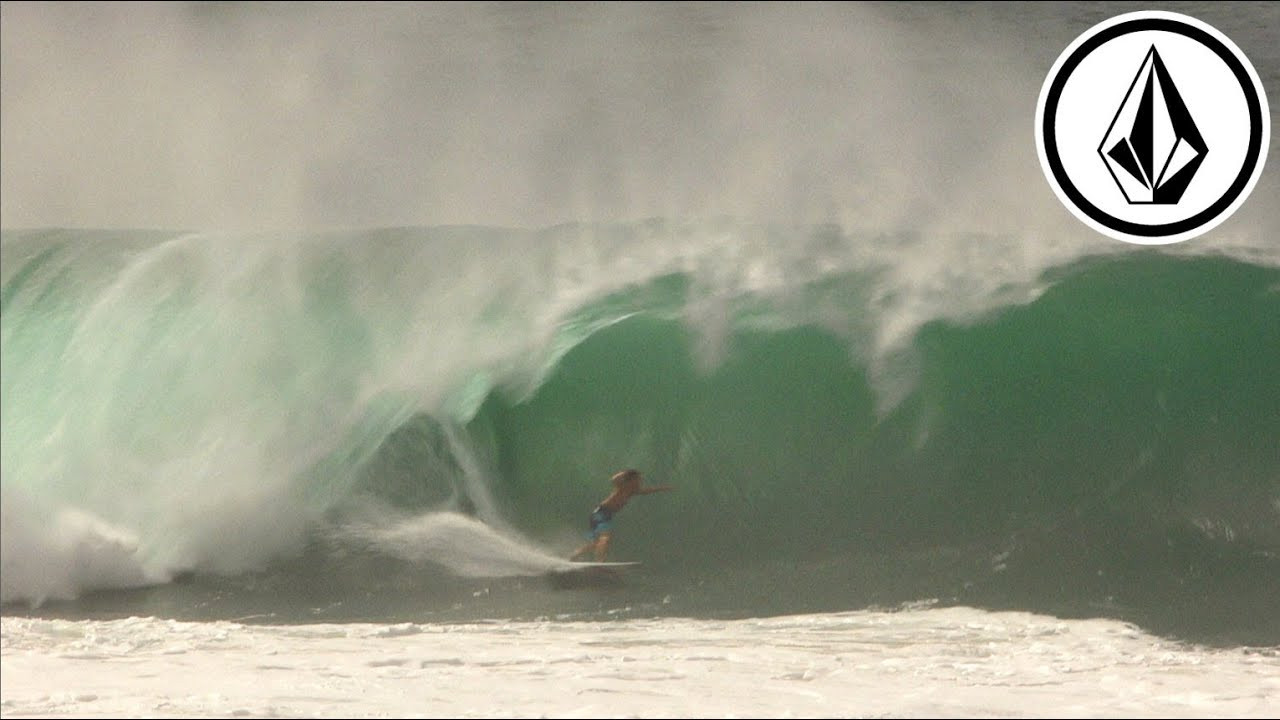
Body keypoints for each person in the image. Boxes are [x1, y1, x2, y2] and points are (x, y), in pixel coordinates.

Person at [569, 469, 674, 562]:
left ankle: (574, 555)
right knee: (605, 538)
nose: (640, 481)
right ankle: (600, 562)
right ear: (631, 480)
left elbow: (647, 491)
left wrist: (663, 488)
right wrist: (625, 473)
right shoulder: (622, 487)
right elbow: (613, 479)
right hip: (600, 513)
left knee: (597, 542)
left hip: (607, 516)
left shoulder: (632, 491)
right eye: (638, 479)